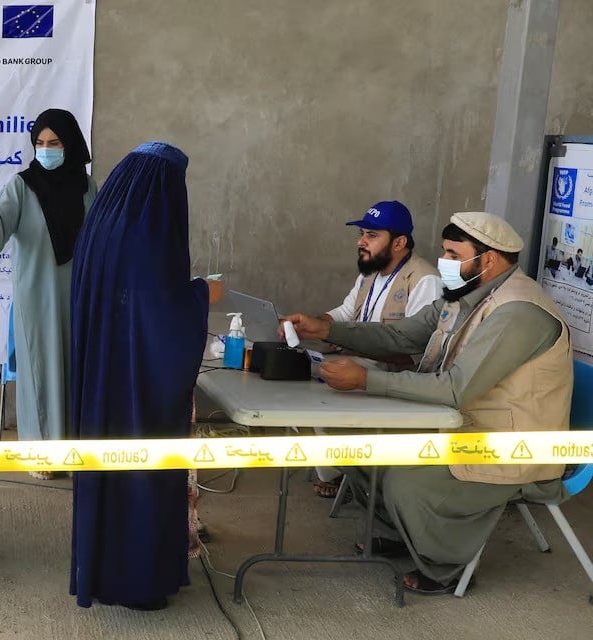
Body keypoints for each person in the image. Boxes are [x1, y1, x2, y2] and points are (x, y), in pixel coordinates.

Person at [285, 211, 573, 595]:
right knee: (358, 445)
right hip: (461, 424)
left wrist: (367, 379)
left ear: (488, 260)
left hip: (511, 446)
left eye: (454, 255)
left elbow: (456, 388)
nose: (444, 263)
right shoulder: (464, 296)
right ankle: (400, 532)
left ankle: (445, 566)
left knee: (407, 480)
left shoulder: (519, 312)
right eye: (444, 252)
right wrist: (327, 329)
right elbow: (399, 337)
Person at [69, 141, 222, 610]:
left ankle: (105, 569)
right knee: (141, 471)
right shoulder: (150, 232)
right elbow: (161, 312)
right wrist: (203, 295)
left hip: (103, 377)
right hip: (138, 386)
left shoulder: (103, 221)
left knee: (107, 475)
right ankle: (138, 581)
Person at [0, 109, 96, 480]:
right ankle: (40, 454)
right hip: (36, 298)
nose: (45, 151)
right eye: (39, 144)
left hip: (78, 296)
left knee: (75, 368)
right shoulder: (22, 186)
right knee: (39, 372)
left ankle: (74, 449)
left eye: (54, 143)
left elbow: (101, 236)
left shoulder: (87, 187)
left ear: (71, 145)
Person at [292, 200, 440, 498]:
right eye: (362, 233)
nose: (361, 241)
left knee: (318, 396)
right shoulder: (370, 272)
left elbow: (416, 352)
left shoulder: (425, 280)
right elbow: (346, 312)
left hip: (393, 374)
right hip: (357, 359)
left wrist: (348, 341)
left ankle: (345, 474)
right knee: (292, 377)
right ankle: (337, 469)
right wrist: (311, 324)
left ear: (399, 242)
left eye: (372, 235)